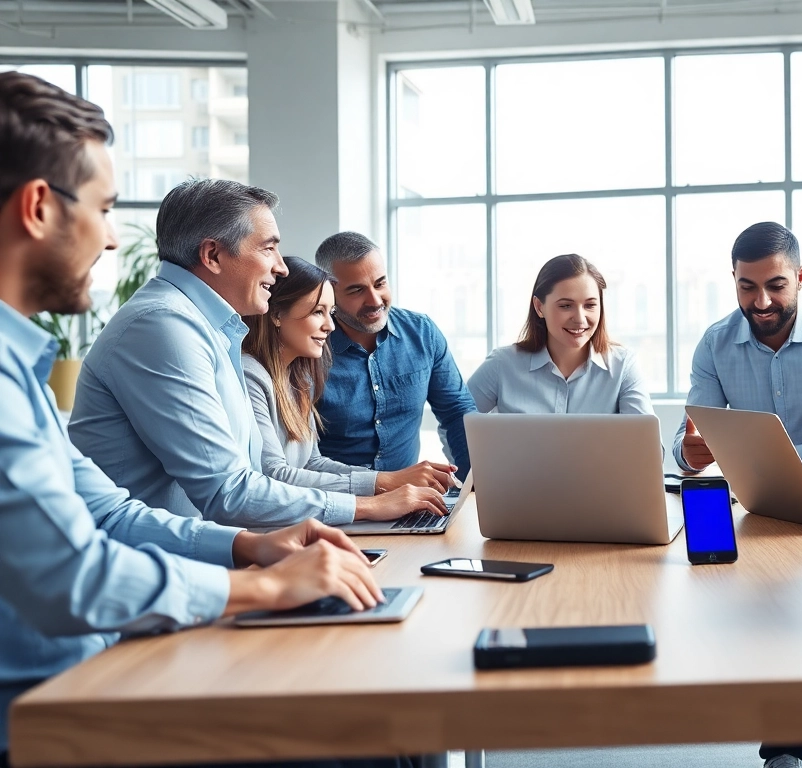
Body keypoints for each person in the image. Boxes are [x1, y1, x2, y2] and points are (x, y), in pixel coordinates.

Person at [0, 70, 406, 768]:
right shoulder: (156, 328)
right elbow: (76, 577)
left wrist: (249, 550)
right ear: (38, 207)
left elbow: (113, 512)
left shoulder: (24, 362)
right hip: (46, 706)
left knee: (371, 721)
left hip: (105, 651)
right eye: (102, 208)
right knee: (354, 740)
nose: (106, 241)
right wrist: (263, 583)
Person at [68, 180, 447, 529]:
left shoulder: (211, 330)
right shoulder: (163, 327)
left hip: (190, 558)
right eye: (268, 248)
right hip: (149, 575)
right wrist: (370, 504)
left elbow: (252, 477)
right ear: (213, 255)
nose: (280, 267)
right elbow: (229, 493)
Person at [242, 256, 459, 497]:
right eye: (318, 312)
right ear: (277, 315)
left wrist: (393, 483)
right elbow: (273, 474)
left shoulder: (299, 378)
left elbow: (313, 462)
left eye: (330, 312)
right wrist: (386, 483)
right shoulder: (250, 375)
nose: (330, 326)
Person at [673, 222, 802, 473]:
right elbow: (689, 436)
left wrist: (778, 461)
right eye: (747, 287)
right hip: (755, 492)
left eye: (776, 286)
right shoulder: (714, 344)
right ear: (734, 280)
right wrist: (688, 454)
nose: (762, 302)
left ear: (800, 277)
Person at [314, 232, 476, 480]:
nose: (375, 300)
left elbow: (456, 413)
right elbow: (300, 460)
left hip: (410, 503)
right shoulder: (310, 349)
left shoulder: (422, 333)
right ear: (329, 291)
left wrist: (476, 487)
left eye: (380, 283)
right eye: (357, 290)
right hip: (338, 503)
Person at [468, 254, 653, 415]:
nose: (580, 319)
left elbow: (648, 449)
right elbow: (456, 422)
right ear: (540, 307)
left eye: (590, 305)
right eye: (566, 306)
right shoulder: (502, 365)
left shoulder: (622, 367)